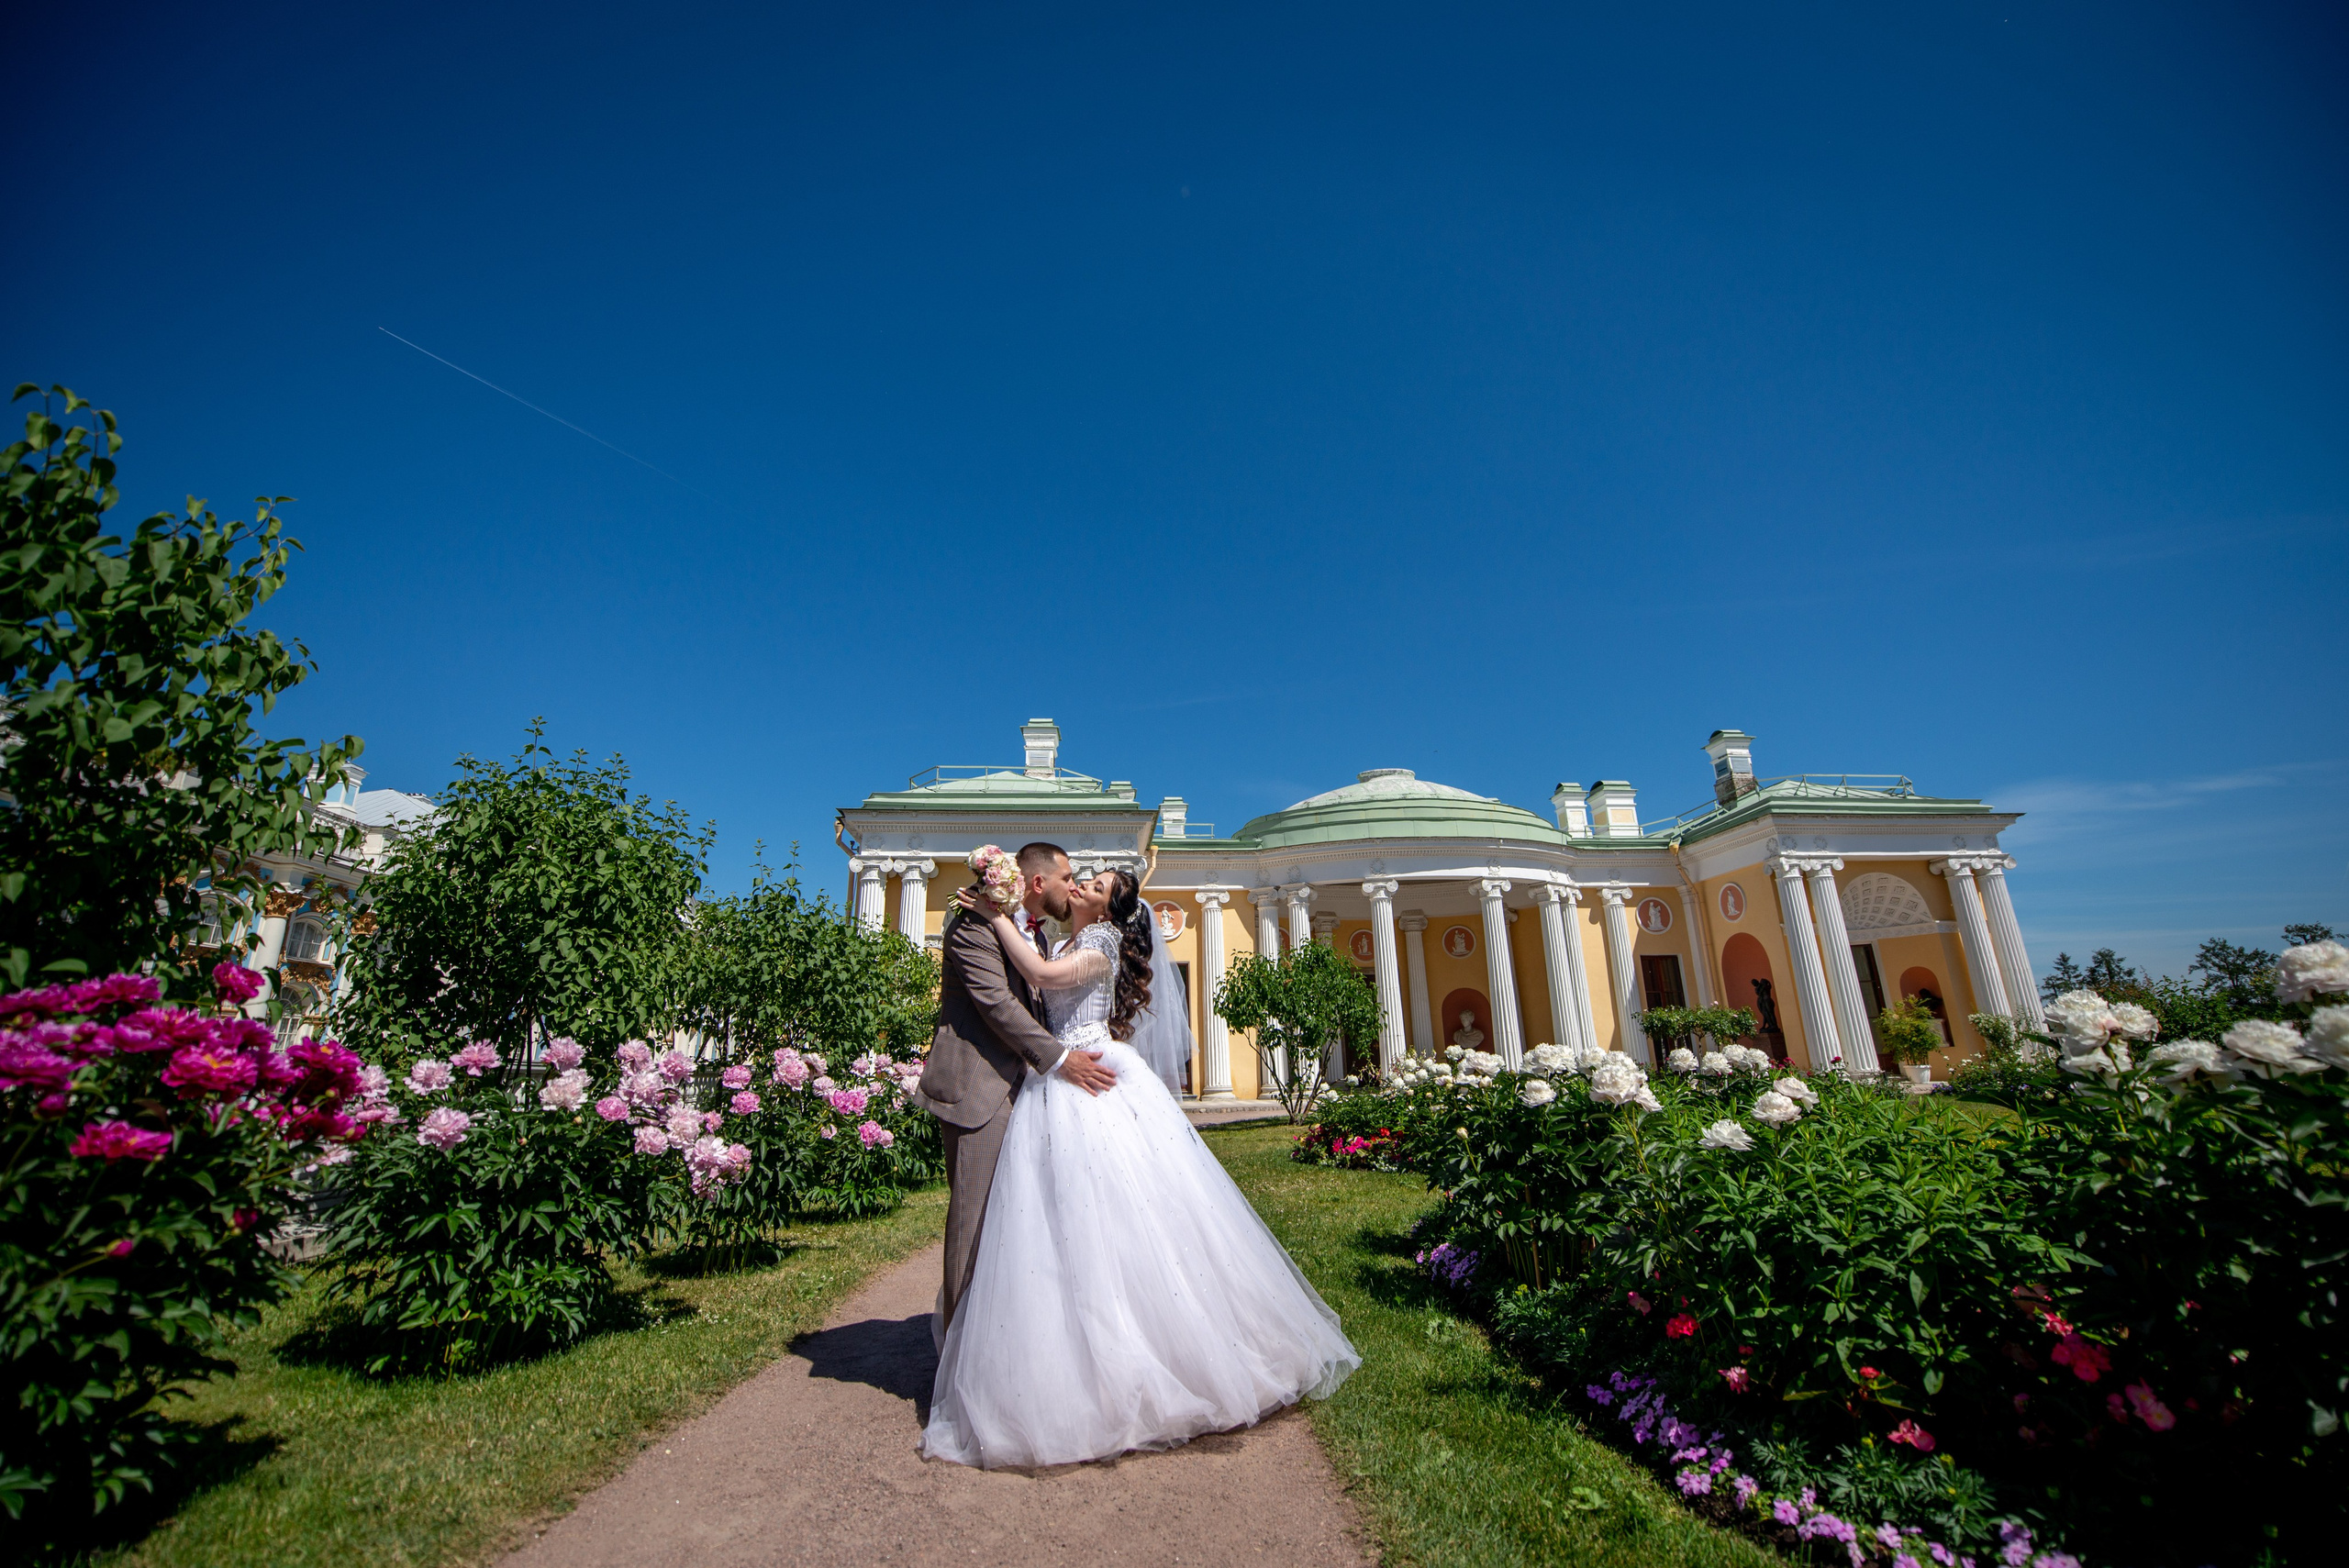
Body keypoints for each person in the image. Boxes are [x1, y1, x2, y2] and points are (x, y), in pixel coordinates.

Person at [922, 866, 1360, 1469]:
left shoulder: (1097, 943)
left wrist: (996, 915)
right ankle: (1056, 1353)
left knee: (1115, 1214)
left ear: (1105, 911)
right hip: (1052, 1084)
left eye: (1094, 886)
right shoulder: (1062, 937)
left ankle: (1145, 1355)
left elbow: (1043, 978)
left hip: (1090, 1077)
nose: (1080, 887)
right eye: (1082, 879)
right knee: (1054, 1222)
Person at [915, 842, 1119, 1345]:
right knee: (975, 1222)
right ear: (1036, 883)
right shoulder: (972, 926)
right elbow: (996, 1003)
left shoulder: (1039, 938)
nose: (1073, 886)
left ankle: (1007, 1344)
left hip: (1029, 1097)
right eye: (1067, 877)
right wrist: (1059, 1058)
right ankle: (958, 1360)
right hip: (979, 1092)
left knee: (1021, 1223)